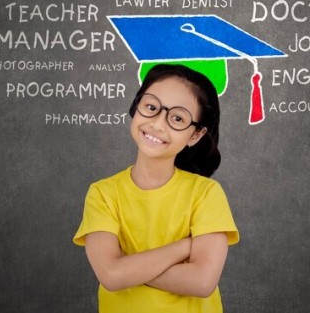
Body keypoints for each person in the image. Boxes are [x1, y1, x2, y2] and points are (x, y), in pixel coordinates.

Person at [73, 64, 239, 313]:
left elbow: (202, 281)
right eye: (151, 107)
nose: (158, 124)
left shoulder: (206, 193)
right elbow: (110, 276)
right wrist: (184, 247)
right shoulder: (102, 194)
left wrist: (127, 268)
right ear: (136, 107)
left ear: (195, 135)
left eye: (178, 118)